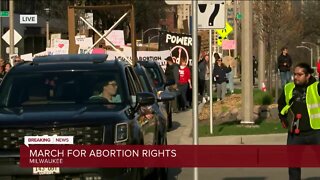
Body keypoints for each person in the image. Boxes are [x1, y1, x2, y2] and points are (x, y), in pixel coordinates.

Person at [278, 63, 320, 180]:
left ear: (307, 76)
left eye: (300, 75)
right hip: (295, 134)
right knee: (293, 165)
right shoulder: (288, 88)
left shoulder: (316, 87)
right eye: (295, 74)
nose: (296, 77)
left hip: (316, 132)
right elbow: (281, 104)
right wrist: (283, 118)